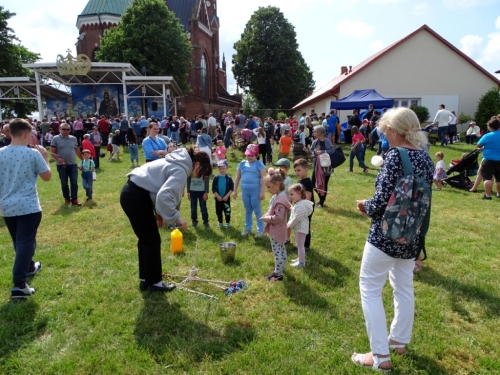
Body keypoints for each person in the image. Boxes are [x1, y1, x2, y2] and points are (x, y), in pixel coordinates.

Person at [353, 107, 433, 372]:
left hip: (385, 236)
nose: (384, 133)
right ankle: (398, 340)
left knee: (370, 289)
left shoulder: (395, 156)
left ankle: (379, 356)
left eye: (385, 129)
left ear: (392, 130)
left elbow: (380, 201)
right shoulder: (425, 157)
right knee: (403, 286)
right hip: (411, 237)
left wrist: (365, 204)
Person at [120, 147, 212, 292]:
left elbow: (155, 187)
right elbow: (164, 196)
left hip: (131, 193)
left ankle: (146, 280)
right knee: (152, 240)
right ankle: (154, 283)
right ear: (197, 165)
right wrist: (177, 219)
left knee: (146, 239)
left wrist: (158, 213)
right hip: (136, 196)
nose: (198, 178)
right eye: (202, 174)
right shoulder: (181, 169)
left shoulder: (178, 162)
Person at [0, 119, 51, 299]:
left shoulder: (0, 153)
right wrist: (44, 156)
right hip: (28, 205)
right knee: (26, 242)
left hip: (6, 206)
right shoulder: (32, 154)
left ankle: (29, 266)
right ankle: (19, 284)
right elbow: (47, 177)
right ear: (26, 134)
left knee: (19, 241)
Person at [260, 168, 292, 281]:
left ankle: (278, 274)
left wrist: (267, 218)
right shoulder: (280, 196)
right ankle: (281, 268)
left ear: (277, 184)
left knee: (277, 252)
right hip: (281, 229)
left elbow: (278, 217)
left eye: (269, 187)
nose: (268, 189)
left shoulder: (280, 200)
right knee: (281, 249)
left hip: (277, 230)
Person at [233, 144, 266, 237]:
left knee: (257, 210)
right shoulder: (242, 164)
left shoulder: (259, 164)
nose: (249, 157)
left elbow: (264, 179)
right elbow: (237, 177)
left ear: (257, 155)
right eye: (248, 155)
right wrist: (235, 190)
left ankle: (261, 230)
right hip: (245, 191)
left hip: (255, 190)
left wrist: (262, 192)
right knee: (247, 210)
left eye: (252, 155)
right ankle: (247, 228)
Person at [51, 122, 83, 206]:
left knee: (74, 182)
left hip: (72, 164)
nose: (66, 131)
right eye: (64, 129)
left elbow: (76, 150)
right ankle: (67, 198)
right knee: (64, 183)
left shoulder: (73, 138)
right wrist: (58, 159)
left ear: (70, 130)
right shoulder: (55, 139)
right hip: (61, 165)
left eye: (68, 129)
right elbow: (52, 152)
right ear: (60, 129)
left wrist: (83, 160)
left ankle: (74, 199)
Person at [287, 183, 314, 268]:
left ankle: (301, 262)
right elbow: (297, 212)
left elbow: (297, 217)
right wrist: (292, 208)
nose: (290, 196)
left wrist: (289, 225)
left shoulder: (301, 205)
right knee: (299, 244)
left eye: (292, 194)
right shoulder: (300, 203)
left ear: (299, 193)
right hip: (299, 228)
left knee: (300, 245)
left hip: (300, 228)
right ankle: (300, 258)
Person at [310, 126, 334, 208]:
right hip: (316, 166)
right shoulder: (315, 141)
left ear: (319, 133)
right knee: (313, 184)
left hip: (326, 167)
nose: (313, 133)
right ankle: (321, 198)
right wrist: (313, 152)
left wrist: (322, 152)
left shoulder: (326, 141)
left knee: (323, 184)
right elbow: (311, 150)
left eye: (315, 131)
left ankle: (321, 201)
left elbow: (332, 150)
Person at [293, 158, 315, 251]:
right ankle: (300, 243)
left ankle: (306, 245)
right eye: (295, 170)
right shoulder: (299, 182)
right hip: (299, 207)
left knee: (305, 226)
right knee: (299, 226)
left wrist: (300, 204)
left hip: (306, 208)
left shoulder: (307, 182)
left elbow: (308, 197)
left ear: (306, 170)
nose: (296, 172)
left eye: (299, 170)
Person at [477, 117, 500, 200]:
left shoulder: (488, 135)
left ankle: (488, 195)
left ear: (490, 127)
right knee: (499, 178)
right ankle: (499, 194)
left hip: (488, 159)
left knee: (487, 178)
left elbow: (479, 145)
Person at [212, 160, 234, 228]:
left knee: (227, 210)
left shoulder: (229, 178)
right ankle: (220, 222)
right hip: (218, 198)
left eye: (223, 168)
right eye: (220, 168)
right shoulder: (216, 178)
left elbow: (231, 188)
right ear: (218, 169)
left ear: (227, 168)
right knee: (218, 211)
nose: (222, 170)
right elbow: (213, 188)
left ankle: (227, 222)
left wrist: (227, 196)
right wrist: (217, 196)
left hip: (226, 198)